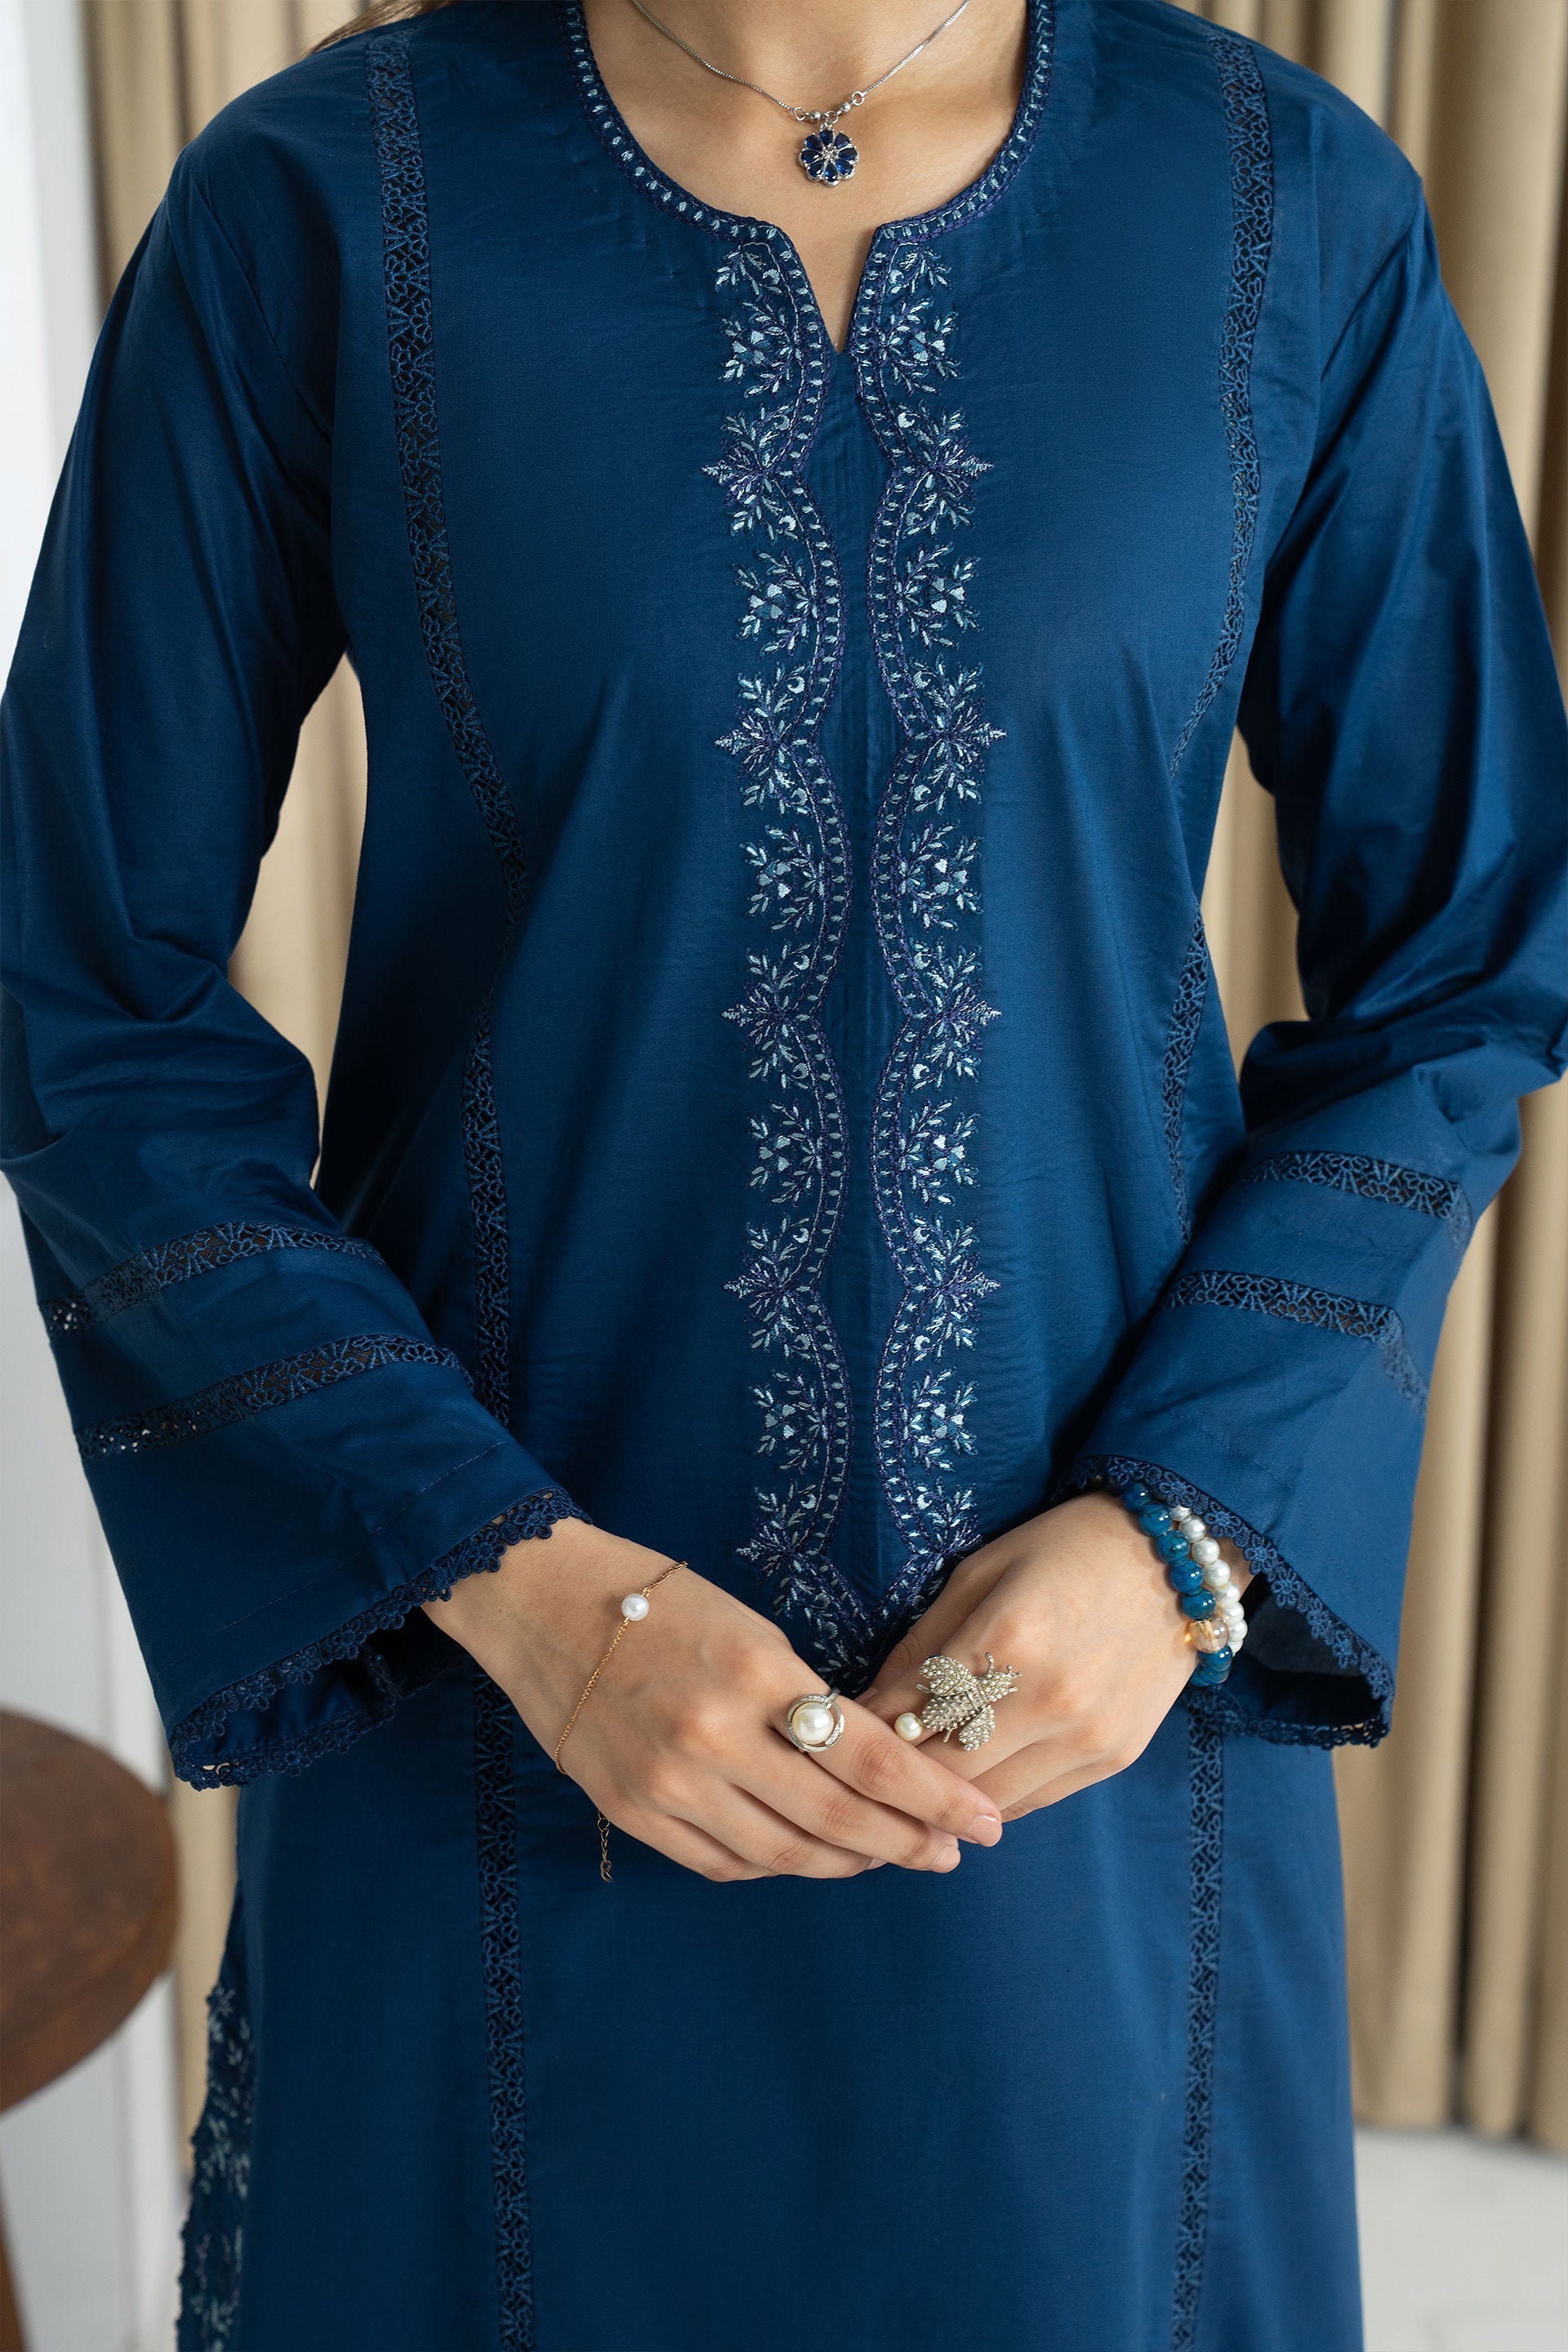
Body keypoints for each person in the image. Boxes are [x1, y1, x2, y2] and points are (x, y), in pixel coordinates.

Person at [3, 0, 1564, 2345]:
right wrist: (514, 1582)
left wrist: (1184, 1537)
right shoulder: (325, 204)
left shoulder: (1282, 206)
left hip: (1077, 1724)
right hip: (496, 1697)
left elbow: (1462, 971)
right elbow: (81, 1003)